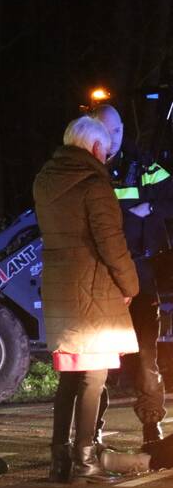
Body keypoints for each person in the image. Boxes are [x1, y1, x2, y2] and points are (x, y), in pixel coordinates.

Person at [33, 115, 139, 483]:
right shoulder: (94, 185)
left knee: (70, 378)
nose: (106, 158)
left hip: (59, 287)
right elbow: (111, 241)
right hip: (92, 288)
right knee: (94, 376)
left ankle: (58, 459)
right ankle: (86, 459)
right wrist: (130, 285)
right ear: (95, 147)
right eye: (106, 152)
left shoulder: (45, 180)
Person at [91, 103, 170, 446]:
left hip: (139, 270)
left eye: (118, 130)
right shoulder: (87, 167)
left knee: (145, 354)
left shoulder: (144, 166)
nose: (113, 138)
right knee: (96, 357)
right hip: (101, 272)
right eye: (106, 131)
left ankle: (152, 424)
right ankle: (91, 428)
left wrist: (149, 208)